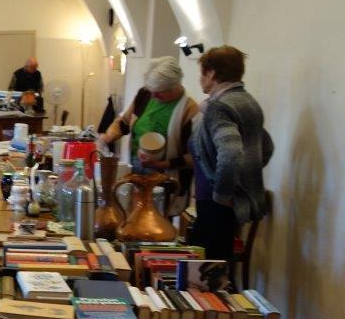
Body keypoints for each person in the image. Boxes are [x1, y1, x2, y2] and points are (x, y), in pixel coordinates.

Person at [188, 46, 273, 267]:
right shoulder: (249, 102)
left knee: (205, 269)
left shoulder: (220, 107)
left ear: (211, 73)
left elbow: (231, 153)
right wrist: (244, 177)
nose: (200, 79)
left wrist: (222, 193)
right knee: (216, 264)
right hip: (229, 201)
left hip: (216, 203)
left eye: (202, 73)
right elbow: (265, 147)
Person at [97, 56, 199, 214]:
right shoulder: (145, 94)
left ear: (175, 87)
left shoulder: (190, 110)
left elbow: (192, 157)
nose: (154, 97)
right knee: (132, 213)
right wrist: (107, 137)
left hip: (165, 177)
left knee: (157, 219)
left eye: (159, 93)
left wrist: (159, 164)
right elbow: (124, 122)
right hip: (136, 168)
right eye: (151, 91)